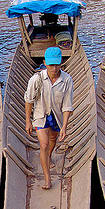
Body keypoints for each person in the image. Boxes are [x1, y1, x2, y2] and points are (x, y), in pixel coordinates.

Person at [25, 47, 74, 190]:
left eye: (57, 64)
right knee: (44, 145)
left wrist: (64, 126)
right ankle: (48, 179)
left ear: (61, 63)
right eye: (51, 65)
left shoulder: (66, 80)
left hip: (56, 116)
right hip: (41, 115)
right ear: (45, 63)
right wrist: (28, 121)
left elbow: (67, 106)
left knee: (53, 139)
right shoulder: (36, 79)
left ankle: (49, 156)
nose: (54, 68)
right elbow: (29, 101)